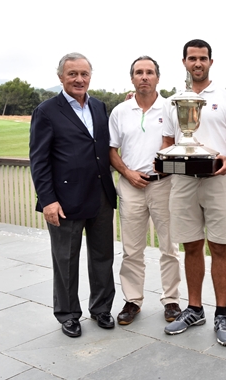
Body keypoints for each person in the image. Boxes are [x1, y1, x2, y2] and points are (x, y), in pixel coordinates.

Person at [161, 39, 226, 346]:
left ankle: (221, 312)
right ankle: (195, 308)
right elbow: (168, 141)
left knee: (220, 247)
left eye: (203, 58)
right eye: (192, 58)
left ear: (211, 61)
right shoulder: (172, 101)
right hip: (182, 182)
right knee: (192, 247)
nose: (198, 63)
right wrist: (164, 162)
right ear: (183, 61)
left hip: (218, 179)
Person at [29, 52, 117, 338]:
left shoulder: (100, 106)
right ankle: (68, 314)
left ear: (90, 77)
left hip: (101, 195)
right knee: (66, 260)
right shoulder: (47, 111)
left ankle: (102, 308)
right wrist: (48, 201)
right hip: (64, 200)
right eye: (72, 74)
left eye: (84, 74)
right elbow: (39, 160)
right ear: (61, 77)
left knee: (103, 256)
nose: (79, 79)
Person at [109, 56, 182, 325]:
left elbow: (178, 143)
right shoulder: (120, 111)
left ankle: (171, 299)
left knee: (169, 247)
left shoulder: (171, 108)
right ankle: (132, 301)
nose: (144, 77)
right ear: (132, 78)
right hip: (130, 187)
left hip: (164, 185)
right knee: (131, 249)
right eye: (139, 72)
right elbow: (111, 150)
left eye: (149, 72)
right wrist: (127, 173)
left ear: (158, 78)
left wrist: (167, 166)